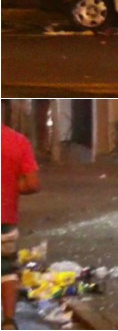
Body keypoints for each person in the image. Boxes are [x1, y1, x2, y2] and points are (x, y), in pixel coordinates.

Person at [2, 105, 41, 330]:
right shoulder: (18, 141)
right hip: (5, 218)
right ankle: (8, 321)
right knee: (6, 270)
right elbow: (33, 184)